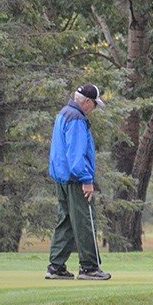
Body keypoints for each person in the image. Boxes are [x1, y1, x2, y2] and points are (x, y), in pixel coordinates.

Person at [45, 84, 111, 281]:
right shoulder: (77, 119)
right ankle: (89, 267)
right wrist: (86, 179)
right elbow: (76, 154)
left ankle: (56, 267)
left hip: (62, 178)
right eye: (95, 105)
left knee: (65, 222)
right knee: (85, 221)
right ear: (87, 102)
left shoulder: (63, 113)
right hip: (75, 179)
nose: (94, 109)